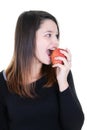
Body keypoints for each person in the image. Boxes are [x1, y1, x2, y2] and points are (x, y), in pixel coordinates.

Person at [0, 10, 84, 130]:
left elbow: (74, 126)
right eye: (48, 35)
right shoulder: (2, 82)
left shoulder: (60, 73)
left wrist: (63, 81)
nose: (56, 42)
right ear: (27, 38)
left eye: (57, 35)